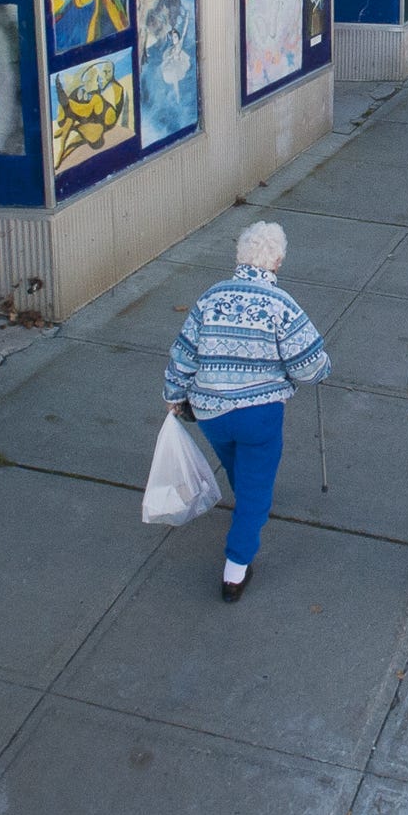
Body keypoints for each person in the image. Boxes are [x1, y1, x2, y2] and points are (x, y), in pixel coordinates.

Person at [162, 220, 332, 602]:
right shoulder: (281, 305)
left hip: (210, 412)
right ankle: (235, 570)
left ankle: (247, 502)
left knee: (238, 465)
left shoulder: (211, 297)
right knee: (256, 493)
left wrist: (174, 394)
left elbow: (183, 353)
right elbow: (309, 366)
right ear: (278, 261)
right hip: (259, 414)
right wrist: (323, 368)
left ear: (240, 257)